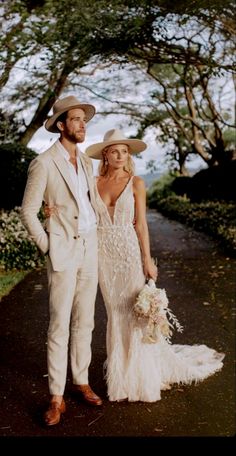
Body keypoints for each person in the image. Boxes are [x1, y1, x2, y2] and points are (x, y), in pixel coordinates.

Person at [85, 128, 224, 403]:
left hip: (128, 254)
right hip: (102, 257)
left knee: (136, 314)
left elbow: (142, 225)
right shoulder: (92, 182)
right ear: (105, 154)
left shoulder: (136, 182)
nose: (120, 155)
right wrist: (51, 210)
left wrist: (147, 259)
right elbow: (78, 210)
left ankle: (141, 376)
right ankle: (121, 377)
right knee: (115, 314)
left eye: (124, 151)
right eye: (115, 151)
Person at [21, 95, 102, 426]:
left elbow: (89, 205)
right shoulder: (43, 163)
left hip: (89, 249)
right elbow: (27, 211)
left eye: (85, 120)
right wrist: (48, 245)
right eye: (77, 119)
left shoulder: (86, 162)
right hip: (63, 253)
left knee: (86, 322)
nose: (83, 124)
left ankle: (81, 381)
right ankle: (56, 396)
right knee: (59, 326)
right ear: (61, 125)